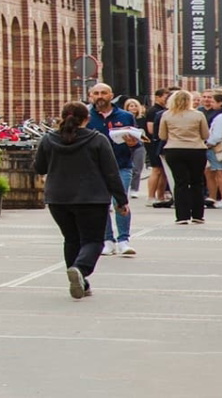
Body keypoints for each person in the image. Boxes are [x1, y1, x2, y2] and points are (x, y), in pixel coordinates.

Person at [34, 101, 130, 300]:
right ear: (87, 118)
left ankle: (81, 283)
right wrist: (121, 200)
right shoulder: (98, 140)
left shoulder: (48, 139)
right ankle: (80, 269)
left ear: (62, 117)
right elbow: (111, 173)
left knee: (71, 239)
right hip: (91, 198)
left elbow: (40, 167)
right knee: (93, 240)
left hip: (58, 199)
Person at [85, 84, 138, 257]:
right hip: (95, 167)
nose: (100, 96)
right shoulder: (86, 117)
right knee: (101, 204)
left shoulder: (126, 116)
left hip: (120, 165)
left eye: (103, 93)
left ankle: (124, 240)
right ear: (90, 95)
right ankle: (108, 240)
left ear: (111, 95)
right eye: (96, 93)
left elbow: (138, 141)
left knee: (120, 201)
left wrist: (133, 143)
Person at [158, 89, 210, 224]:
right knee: (197, 182)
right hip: (196, 150)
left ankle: (182, 216)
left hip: (174, 150)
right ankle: (198, 215)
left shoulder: (167, 115)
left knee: (180, 182)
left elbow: (162, 136)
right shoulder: (198, 115)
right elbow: (205, 135)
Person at [144, 89, 172, 202]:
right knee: (156, 170)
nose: (166, 100)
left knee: (163, 171)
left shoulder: (163, 110)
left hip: (161, 143)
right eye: (164, 97)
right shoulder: (153, 111)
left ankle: (160, 196)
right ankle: (151, 196)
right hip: (154, 143)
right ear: (157, 97)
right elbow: (150, 130)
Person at [123, 98, 147, 196]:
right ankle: (126, 187)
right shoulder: (124, 118)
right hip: (126, 144)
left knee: (137, 168)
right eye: (131, 106)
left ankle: (134, 189)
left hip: (139, 145)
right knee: (126, 167)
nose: (133, 108)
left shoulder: (142, 119)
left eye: (135, 106)